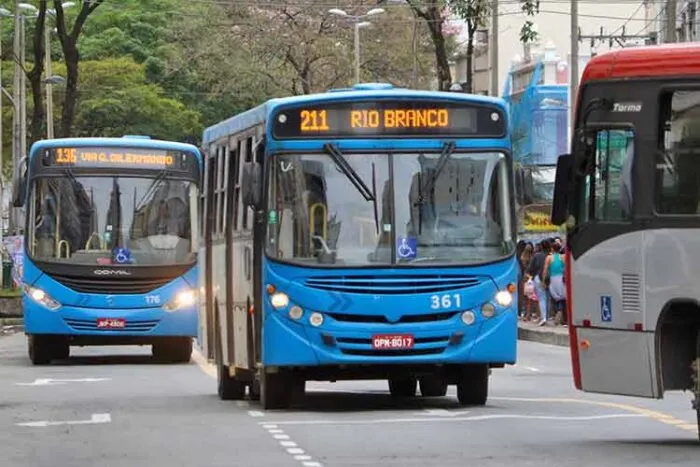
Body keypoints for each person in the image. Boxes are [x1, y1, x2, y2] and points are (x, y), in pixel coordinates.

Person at [527, 239, 551, 326]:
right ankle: (546, 317)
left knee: (541, 298)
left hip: (538, 278)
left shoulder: (536, 256)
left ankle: (543, 317)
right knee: (548, 297)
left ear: (540, 246)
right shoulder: (550, 256)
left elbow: (530, 269)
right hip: (550, 278)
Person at [543, 241, 566, 325]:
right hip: (561, 278)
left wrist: (543, 280)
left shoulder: (549, 258)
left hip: (553, 278)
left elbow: (545, 270)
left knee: (555, 296)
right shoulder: (563, 257)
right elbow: (566, 268)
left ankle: (558, 311)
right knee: (562, 296)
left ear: (552, 248)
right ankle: (561, 313)